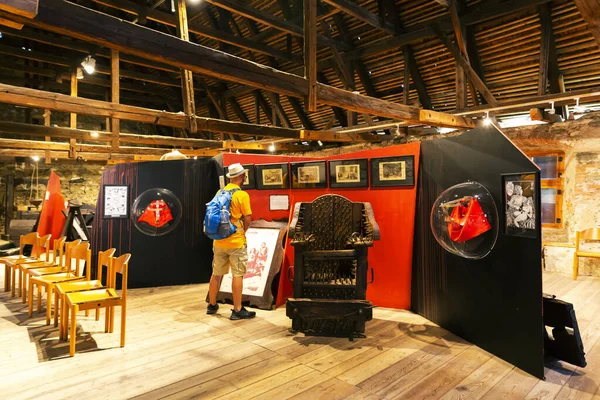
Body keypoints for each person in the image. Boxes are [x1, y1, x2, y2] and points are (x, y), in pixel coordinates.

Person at [207, 163, 256, 320]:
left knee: (216, 274)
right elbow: (248, 218)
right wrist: (243, 232)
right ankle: (237, 309)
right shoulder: (242, 195)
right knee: (237, 275)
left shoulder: (220, 192)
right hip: (236, 241)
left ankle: (212, 305)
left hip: (219, 241)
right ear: (241, 177)